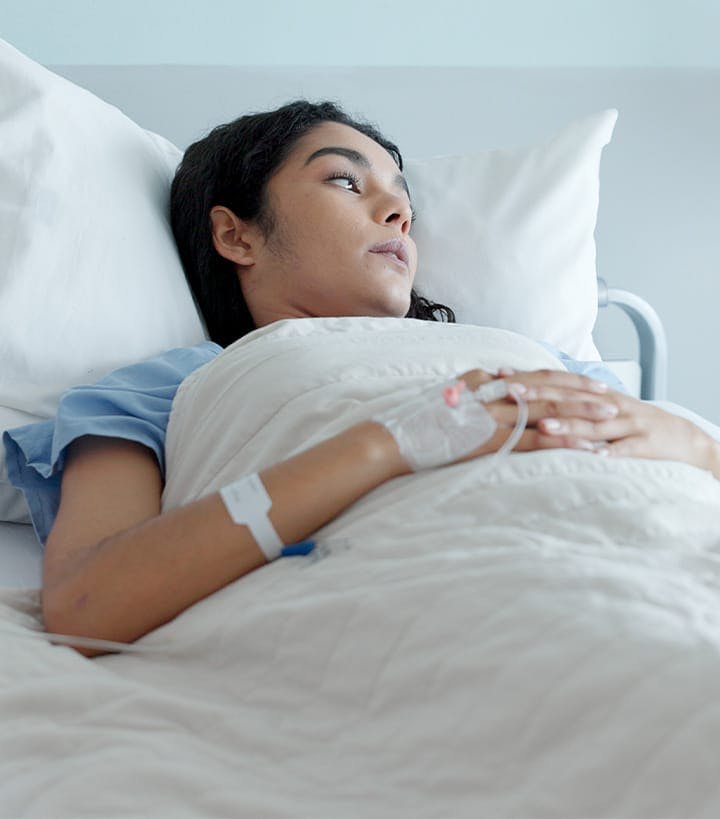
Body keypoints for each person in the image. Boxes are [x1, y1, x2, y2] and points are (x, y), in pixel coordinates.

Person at [4, 100, 719, 659]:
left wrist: (690, 443)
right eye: (346, 179)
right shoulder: (162, 388)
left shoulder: (533, 355)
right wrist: (386, 446)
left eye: (402, 196)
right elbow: (87, 604)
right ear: (237, 235)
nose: (398, 210)